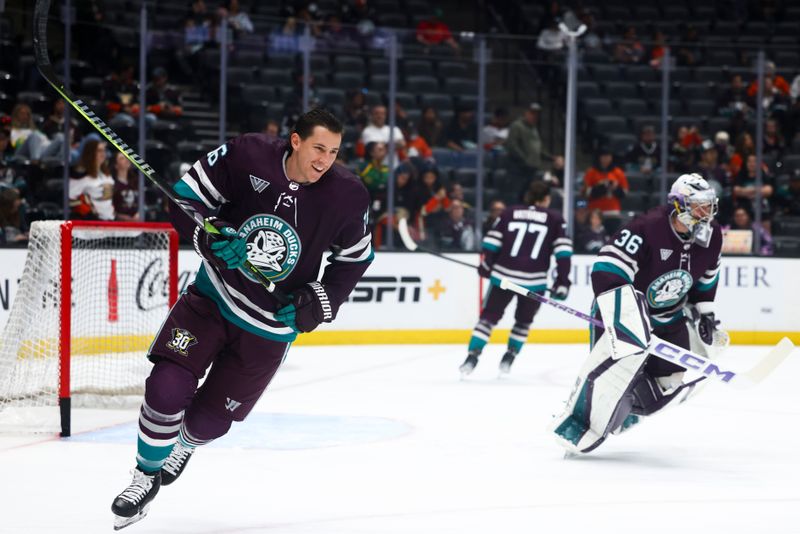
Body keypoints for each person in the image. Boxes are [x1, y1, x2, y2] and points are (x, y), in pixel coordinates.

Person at [110, 108, 373, 530]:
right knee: (166, 387)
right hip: (213, 298)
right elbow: (185, 198)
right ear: (295, 141)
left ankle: (184, 445)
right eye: (319, 148)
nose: (325, 160)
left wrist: (319, 299)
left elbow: (355, 259)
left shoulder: (347, 195)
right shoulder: (247, 154)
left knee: (209, 422)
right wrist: (210, 237)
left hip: (269, 329)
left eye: (334, 152)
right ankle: (143, 477)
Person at [551, 174, 724, 454]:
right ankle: (577, 421)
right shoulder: (647, 227)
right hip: (625, 314)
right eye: (699, 206)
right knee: (612, 375)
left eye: (709, 205)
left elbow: (707, 276)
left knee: (669, 378)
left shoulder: (712, 235)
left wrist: (705, 311)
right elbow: (608, 268)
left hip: (670, 316)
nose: (706, 213)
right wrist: (627, 312)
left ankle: (629, 407)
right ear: (679, 205)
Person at [460, 181, 572, 376]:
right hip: (534, 281)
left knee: (488, 318)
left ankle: (472, 357)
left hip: (503, 276)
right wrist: (562, 282)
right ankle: (509, 357)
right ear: (546, 199)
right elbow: (563, 253)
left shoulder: (509, 213)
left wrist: (487, 266)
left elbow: (491, 243)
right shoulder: (555, 218)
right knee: (523, 321)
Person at [69, 139, 115, 221]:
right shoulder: (81, 174)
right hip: (91, 225)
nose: (103, 154)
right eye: (99, 151)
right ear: (90, 153)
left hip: (109, 221)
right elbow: (70, 198)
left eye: (103, 150)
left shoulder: (107, 174)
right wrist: (88, 214)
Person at [111, 151, 140, 221]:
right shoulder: (112, 183)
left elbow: (142, 202)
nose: (126, 159)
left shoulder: (136, 182)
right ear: (116, 165)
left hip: (137, 224)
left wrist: (140, 213)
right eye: (122, 158)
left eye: (126, 157)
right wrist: (121, 217)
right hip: (120, 225)